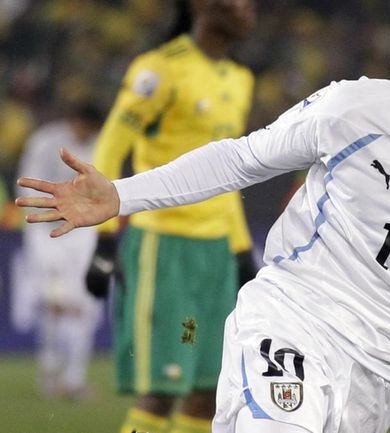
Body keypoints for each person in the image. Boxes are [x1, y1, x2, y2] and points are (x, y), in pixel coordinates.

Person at [17, 1, 390, 432]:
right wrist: (122, 195)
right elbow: (241, 158)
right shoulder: (358, 111)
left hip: (377, 379)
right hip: (290, 321)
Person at [81, 1, 258, 432]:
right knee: (161, 389)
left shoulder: (241, 78)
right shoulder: (158, 70)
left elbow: (228, 173)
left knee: (209, 391)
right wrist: (105, 241)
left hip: (216, 252)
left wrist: (240, 250)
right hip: (164, 247)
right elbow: (109, 148)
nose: (250, 9)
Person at [12, 102, 104, 400]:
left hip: (84, 233)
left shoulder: (100, 146)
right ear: (73, 120)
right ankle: (50, 371)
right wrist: (40, 235)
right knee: (55, 304)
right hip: (47, 231)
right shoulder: (46, 141)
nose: (85, 132)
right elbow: (27, 188)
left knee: (86, 307)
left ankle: (74, 378)